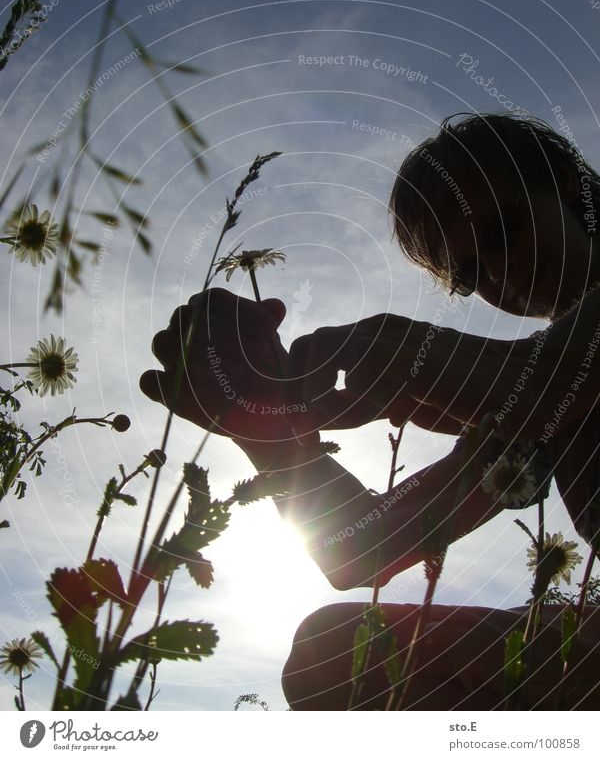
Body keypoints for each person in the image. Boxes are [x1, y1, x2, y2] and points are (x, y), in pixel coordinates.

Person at [140, 112, 600, 710]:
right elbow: (359, 551)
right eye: (467, 274)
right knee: (332, 652)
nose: (497, 276)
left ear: (564, 183)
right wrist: (266, 431)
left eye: (501, 232)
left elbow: (534, 381)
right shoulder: (535, 416)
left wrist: (395, 351)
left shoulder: (538, 389)